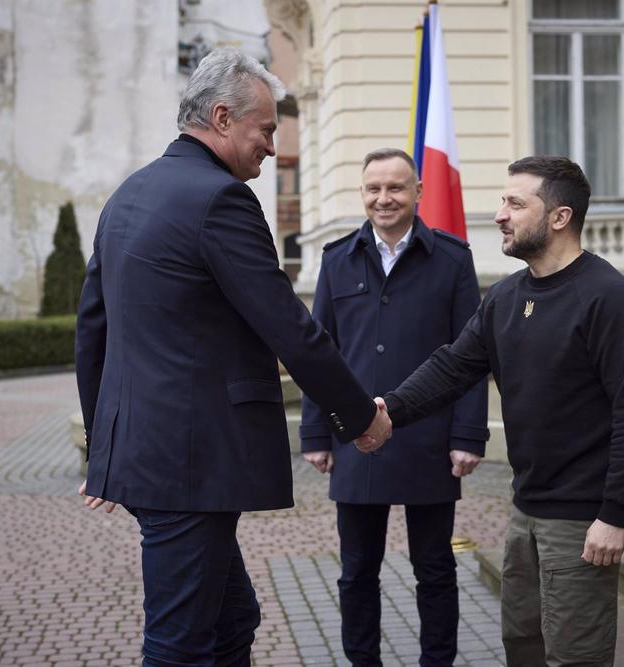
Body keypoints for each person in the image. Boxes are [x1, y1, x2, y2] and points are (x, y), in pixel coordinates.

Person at [73, 48, 391, 667]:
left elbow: (93, 330)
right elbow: (289, 327)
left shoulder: (128, 196)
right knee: (178, 645)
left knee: (232, 618)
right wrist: (360, 416)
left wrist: (102, 444)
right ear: (222, 117)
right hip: (189, 463)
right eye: (266, 129)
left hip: (153, 457)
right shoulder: (220, 200)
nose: (272, 146)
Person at [377, 156, 624, 666]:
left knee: (575, 657)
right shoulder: (506, 297)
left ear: (559, 217)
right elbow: (452, 367)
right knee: (522, 648)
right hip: (525, 511)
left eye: (515, 202)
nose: (499, 215)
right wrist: (387, 411)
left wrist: (615, 515)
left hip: (581, 522)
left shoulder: (610, 298)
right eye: (501, 202)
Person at [300, 148, 489, 667]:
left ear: (419, 192)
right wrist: (317, 434)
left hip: (430, 438)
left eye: (395, 188)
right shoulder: (336, 259)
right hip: (357, 439)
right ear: (363, 194)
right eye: (373, 189)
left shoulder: (453, 259)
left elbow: (472, 355)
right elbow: (321, 352)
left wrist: (468, 435)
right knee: (357, 570)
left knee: (435, 569)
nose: (384, 198)